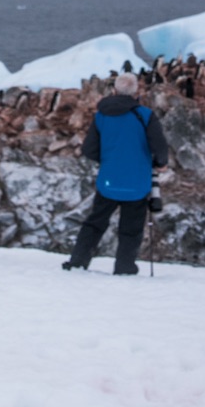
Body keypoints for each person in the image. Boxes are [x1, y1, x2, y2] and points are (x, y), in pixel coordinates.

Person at [63, 72, 170, 275]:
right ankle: (124, 267)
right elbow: (160, 146)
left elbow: (89, 149)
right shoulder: (145, 115)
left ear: (114, 90)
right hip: (137, 182)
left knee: (95, 223)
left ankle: (78, 262)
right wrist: (160, 164)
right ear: (136, 92)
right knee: (131, 229)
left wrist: (108, 160)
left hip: (109, 180)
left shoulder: (102, 115)